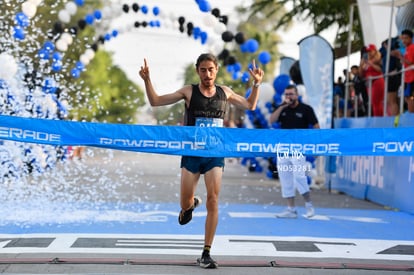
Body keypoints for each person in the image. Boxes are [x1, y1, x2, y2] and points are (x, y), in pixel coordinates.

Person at [138, 53, 264, 268]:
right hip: (192, 154)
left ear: (217, 70)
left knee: (213, 200)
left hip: (214, 154)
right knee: (185, 202)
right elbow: (156, 101)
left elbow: (250, 105)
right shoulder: (189, 91)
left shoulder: (225, 92)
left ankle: (206, 252)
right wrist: (147, 80)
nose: (207, 74)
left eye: (211, 70)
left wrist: (256, 84)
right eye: (203, 70)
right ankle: (190, 205)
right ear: (198, 71)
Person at [269, 84, 319, 219]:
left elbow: (316, 127)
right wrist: (282, 106)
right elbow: (271, 120)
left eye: (291, 94)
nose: (289, 97)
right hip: (284, 150)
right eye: (286, 94)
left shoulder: (306, 109)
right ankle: (291, 209)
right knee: (285, 179)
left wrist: (316, 145)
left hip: (298, 150)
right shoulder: (282, 109)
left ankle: (309, 206)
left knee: (299, 177)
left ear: (297, 95)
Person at [393, 29, 414, 113]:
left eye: (406, 38)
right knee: (407, 97)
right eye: (403, 38)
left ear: (411, 38)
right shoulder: (407, 48)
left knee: (410, 97)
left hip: (412, 78)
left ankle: (411, 118)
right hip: (407, 78)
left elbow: (411, 62)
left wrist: (400, 56)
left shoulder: (412, 48)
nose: (404, 40)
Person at [360, 44, 385, 116]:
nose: (369, 53)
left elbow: (380, 70)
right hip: (369, 83)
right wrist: (361, 64)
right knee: (373, 103)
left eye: (370, 51)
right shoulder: (367, 60)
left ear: (374, 51)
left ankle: (379, 118)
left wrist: (371, 64)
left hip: (377, 80)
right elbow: (361, 74)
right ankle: (377, 117)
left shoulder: (378, 58)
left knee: (376, 102)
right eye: (368, 52)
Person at [379, 37, 402, 116]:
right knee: (393, 101)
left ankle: (396, 120)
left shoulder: (392, 52)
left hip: (392, 77)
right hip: (391, 76)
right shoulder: (387, 53)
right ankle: (397, 118)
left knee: (392, 101)